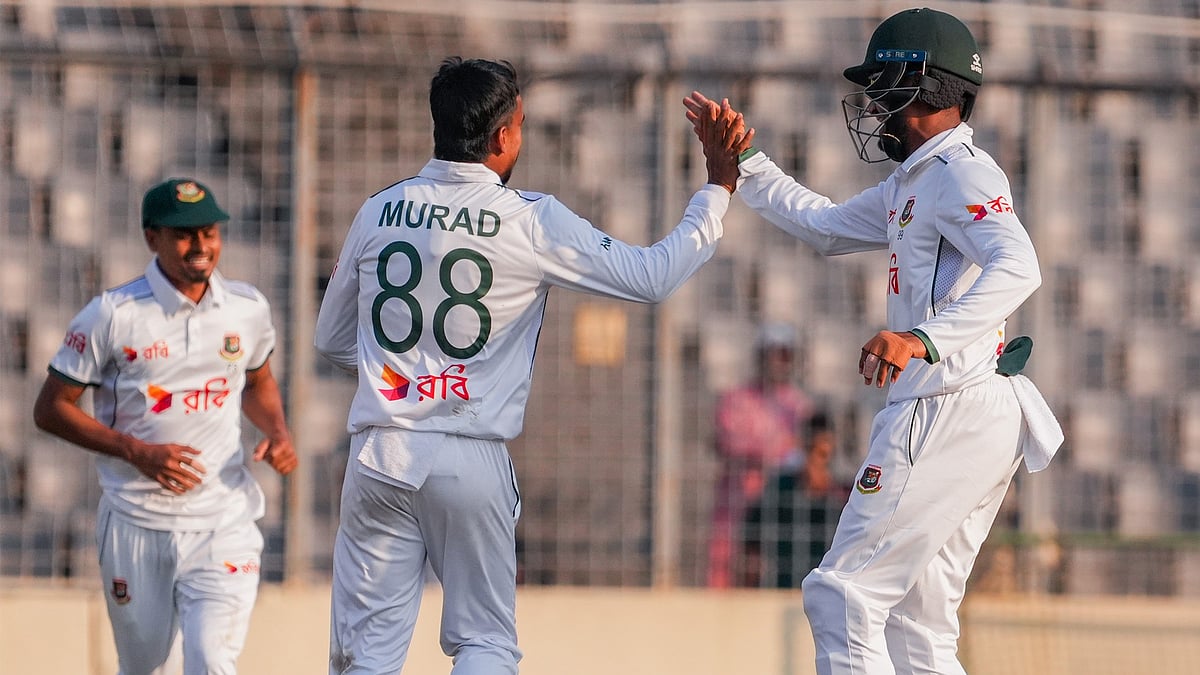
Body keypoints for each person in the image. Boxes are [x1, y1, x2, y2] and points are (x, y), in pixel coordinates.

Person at [314, 57, 748, 674]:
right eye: (521, 123)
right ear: (500, 138)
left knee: (366, 657)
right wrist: (717, 190)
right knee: (484, 644)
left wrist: (404, 379)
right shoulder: (531, 217)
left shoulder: (379, 209)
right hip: (468, 450)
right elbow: (653, 277)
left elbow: (332, 340)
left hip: (378, 453)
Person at [685, 7, 1063, 674]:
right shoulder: (914, 180)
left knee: (842, 596)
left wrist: (923, 338)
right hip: (960, 407)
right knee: (917, 629)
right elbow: (825, 226)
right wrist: (745, 160)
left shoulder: (961, 172)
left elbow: (1019, 265)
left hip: (946, 403)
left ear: (921, 84)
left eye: (880, 86)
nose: (871, 104)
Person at [32, 177, 299, 674]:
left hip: (223, 519)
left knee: (211, 659)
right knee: (147, 669)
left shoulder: (247, 308)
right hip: (137, 522)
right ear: (151, 238)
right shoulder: (112, 314)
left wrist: (278, 433)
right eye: (183, 234)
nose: (200, 246)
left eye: (209, 232)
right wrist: (136, 452)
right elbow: (50, 409)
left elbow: (257, 382)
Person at [707, 322, 813, 588]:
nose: (779, 362)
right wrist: (777, 450)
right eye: (773, 354)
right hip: (739, 496)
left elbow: (806, 449)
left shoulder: (799, 404)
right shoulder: (737, 399)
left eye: (785, 354)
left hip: (780, 500)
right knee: (725, 561)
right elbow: (729, 442)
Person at [742, 411, 845, 589]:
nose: (816, 462)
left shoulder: (840, 497)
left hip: (826, 587)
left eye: (822, 455)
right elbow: (751, 535)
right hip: (782, 585)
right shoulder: (781, 488)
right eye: (812, 451)